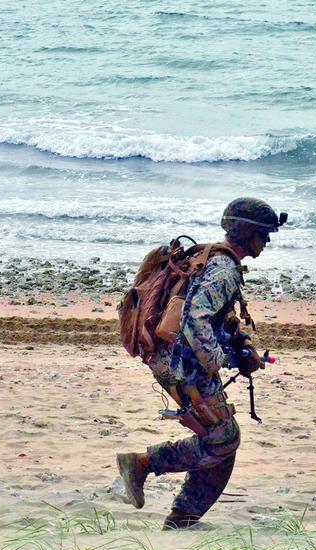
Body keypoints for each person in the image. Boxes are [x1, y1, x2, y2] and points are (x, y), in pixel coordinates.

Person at [116, 197, 285, 529]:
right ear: (249, 233)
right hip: (181, 366)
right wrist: (218, 361)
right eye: (264, 234)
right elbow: (195, 319)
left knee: (223, 439)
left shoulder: (212, 260)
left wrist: (240, 351)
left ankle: (183, 518)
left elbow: (208, 318)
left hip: (174, 360)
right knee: (223, 437)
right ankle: (142, 464)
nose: (266, 242)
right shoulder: (223, 269)